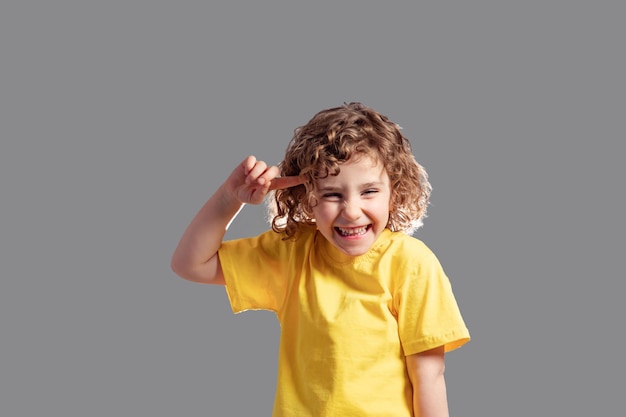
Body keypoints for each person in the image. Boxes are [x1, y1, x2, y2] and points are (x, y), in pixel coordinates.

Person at [171, 102, 470, 417]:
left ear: (393, 192)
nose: (351, 211)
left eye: (369, 191)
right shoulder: (293, 253)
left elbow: (429, 377)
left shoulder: (411, 264)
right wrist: (229, 197)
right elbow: (190, 264)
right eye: (332, 195)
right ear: (307, 199)